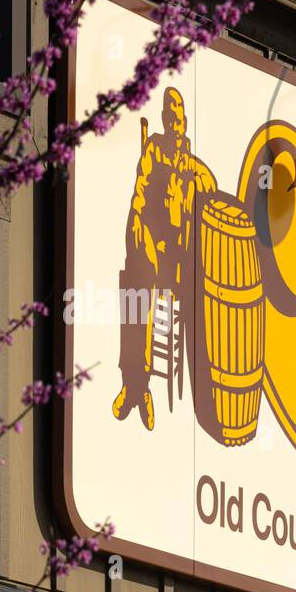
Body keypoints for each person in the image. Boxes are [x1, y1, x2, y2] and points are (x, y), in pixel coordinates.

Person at [112, 86, 217, 431]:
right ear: (163, 119)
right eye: (170, 118)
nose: (175, 124)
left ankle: (208, 394)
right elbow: (139, 195)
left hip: (181, 255)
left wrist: (197, 186)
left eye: (180, 118)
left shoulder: (189, 159)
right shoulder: (154, 150)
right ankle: (136, 386)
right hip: (153, 245)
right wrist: (137, 232)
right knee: (135, 287)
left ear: (185, 122)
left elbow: (209, 183)